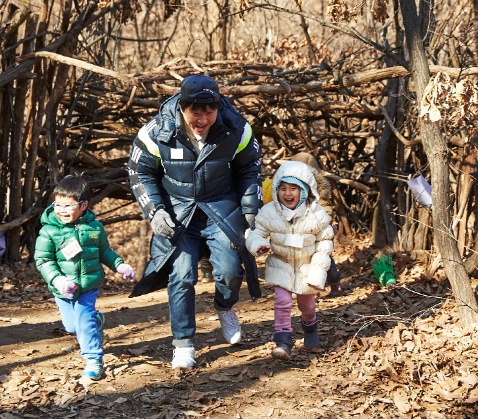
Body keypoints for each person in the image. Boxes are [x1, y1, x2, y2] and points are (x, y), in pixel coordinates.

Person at [128, 74, 262, 371]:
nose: (203, 119)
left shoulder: (237, 128)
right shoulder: (156, 131)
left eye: (209, 112)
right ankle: (184, 344)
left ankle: (225, 307)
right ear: (182, 107)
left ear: (217, 107)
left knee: (229, 271)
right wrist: (156, 211)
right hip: (178, 210)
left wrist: (251, 211)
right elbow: (139, 173)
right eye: (195, 112)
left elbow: (249, 170)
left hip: (220, 205)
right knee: (182, 274)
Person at [34, 175, 135, 379]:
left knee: (83, 322)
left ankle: (94, 360)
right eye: (58, 204)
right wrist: (58, 280)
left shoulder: (95, 228)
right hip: (62, 289)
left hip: (88, 285)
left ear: (83, 205)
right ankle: (97, 320)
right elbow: (43, 260)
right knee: (71, 326)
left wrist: (120, 266)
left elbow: (105, 252)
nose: (61, 210)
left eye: (68, 205)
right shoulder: (49, 231)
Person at [246, 161, 334, 360]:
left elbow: (325, 243)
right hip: (281, 263)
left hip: (306, 266)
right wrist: (258, 243)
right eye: (283, 188)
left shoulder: (317, 214)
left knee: (308, 306)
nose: (287, 193)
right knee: (282, 301)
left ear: (304, 190)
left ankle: (310, 327)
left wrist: (318, 272)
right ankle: (283, 340)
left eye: (293, 189)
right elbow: (255, 233)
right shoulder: (269, 212)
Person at [261, 152, 343, 296]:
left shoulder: (318, 192)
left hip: (312, 233)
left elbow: (325, 209)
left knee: (324, 259)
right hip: (292, 233)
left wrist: (328, 224)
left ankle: (334, 284)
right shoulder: (286, 189)